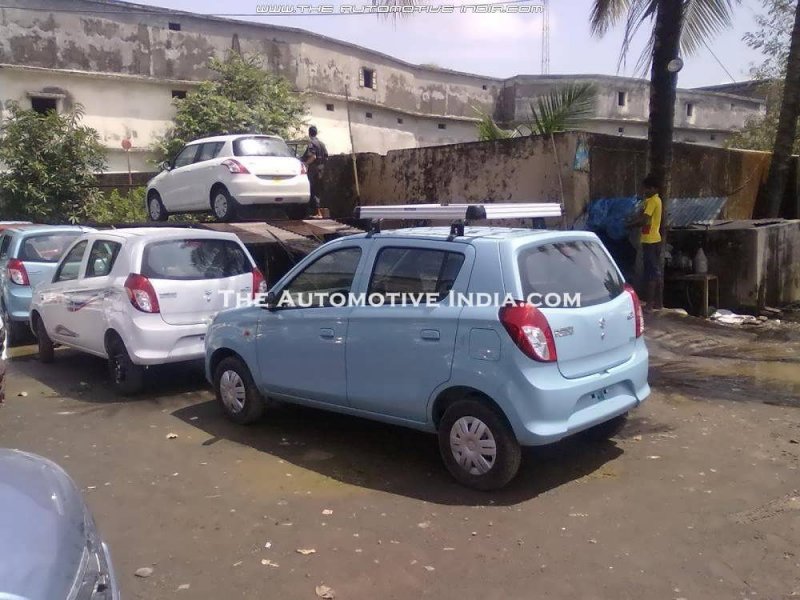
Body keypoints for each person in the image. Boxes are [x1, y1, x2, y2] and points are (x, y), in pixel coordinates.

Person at [628, 174, 663, 309]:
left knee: (651, 272)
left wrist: (629, 225)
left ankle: (650, 304)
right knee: (654, 271)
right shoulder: (652, 200)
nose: (645, 191)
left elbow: (644, 219)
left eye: (647, 189)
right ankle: (658, 303)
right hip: (652, 239)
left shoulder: (653, 201)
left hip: (651, 240)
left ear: (654, 188)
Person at [301, 125, 328, 219]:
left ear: (309, 133)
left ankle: (317, 213)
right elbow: (326, 157)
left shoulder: (312, 143)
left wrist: (306, 164)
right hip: (321, 169)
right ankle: (319, 212)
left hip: (313, 169)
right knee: (318, 190)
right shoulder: (322, 144)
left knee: (312, 190)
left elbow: (313, 156)